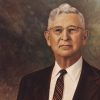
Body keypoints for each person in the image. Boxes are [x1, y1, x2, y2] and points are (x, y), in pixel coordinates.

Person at [17, 3, 100, 100]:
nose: (65, 37)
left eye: (72, 30)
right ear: (48, 38)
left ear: (84, 37)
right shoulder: (29, 83)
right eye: (58, 30)